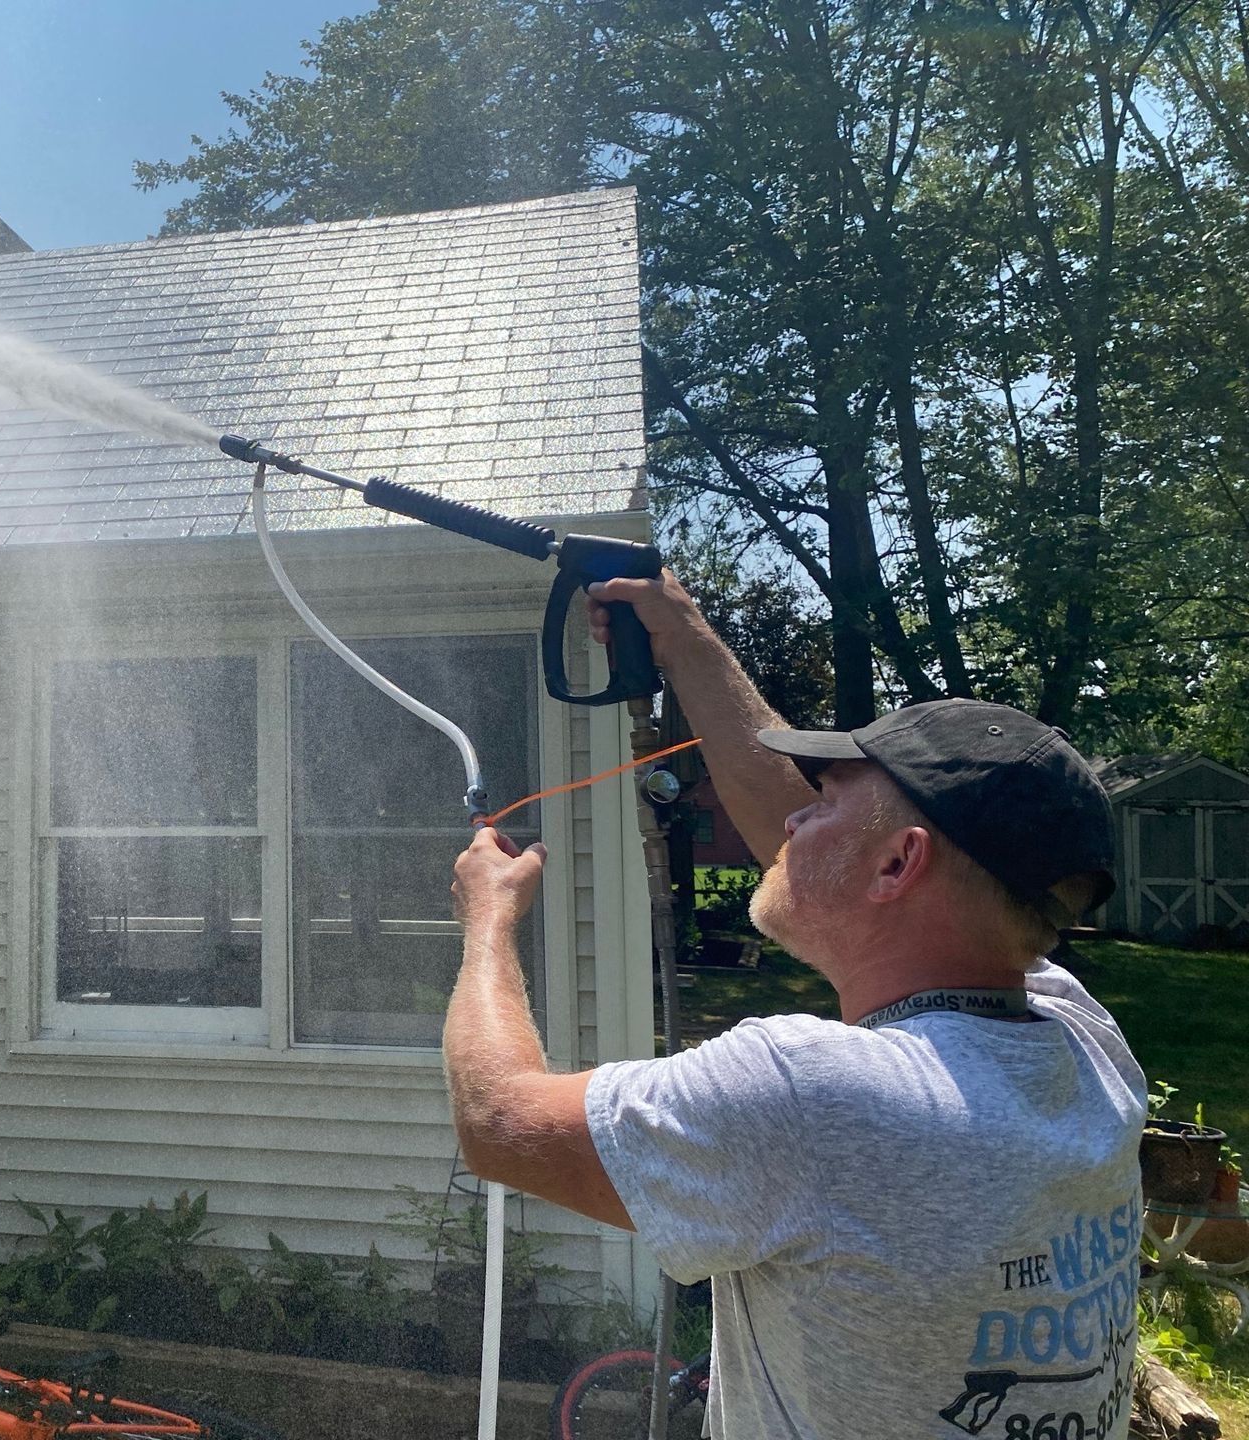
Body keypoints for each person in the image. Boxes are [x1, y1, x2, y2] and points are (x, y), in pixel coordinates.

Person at [442, 569, 1147, 1440]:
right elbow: (825, 844)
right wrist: (683, 634)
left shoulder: (812, 1095)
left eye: (827, 800)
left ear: (898, 866)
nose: (792, 822)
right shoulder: (1082, 1041)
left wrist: (487, 922)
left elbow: (495, 1119)